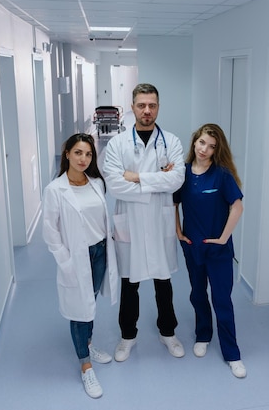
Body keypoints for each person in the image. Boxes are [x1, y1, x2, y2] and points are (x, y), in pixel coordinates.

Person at [102, 83, 186, 362]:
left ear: (158, 107)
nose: (147, 110)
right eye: (141, 105)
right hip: (131, 223)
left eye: (152, 105)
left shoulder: (171, 142)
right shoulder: (117, 143)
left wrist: (136, 177)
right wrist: (157, 181)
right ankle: (127, 337)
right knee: (130, 283)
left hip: (158, 220)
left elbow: (176, 180)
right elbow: (115, 186)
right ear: (133, 107)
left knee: (164, 282)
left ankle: (168, 332)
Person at [42, 133, 119, 399]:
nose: (83, 159)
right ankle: (85, 365)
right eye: (78, 153)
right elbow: (50, 231)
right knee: (79, 309)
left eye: (88, 154)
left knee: (91, 301)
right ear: (67, 155)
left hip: (99, 252)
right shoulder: (55, 190)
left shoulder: (97, 183)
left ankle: (87, 342)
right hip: (77, 255)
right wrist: (65, 261)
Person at [174, 123, 247, 378]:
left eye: (212, 146)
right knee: (197, 294)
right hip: (192, 247)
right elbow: (173, 202)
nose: (205, 149)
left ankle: (232, 354)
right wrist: (178, 232)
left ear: (217, 150)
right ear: (195, 141)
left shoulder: (222, 175)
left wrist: (223, 238)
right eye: (202, 142)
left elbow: (236, 207)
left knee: (222, 299)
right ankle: (203, 334)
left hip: (218, 250)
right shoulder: (181, 173)